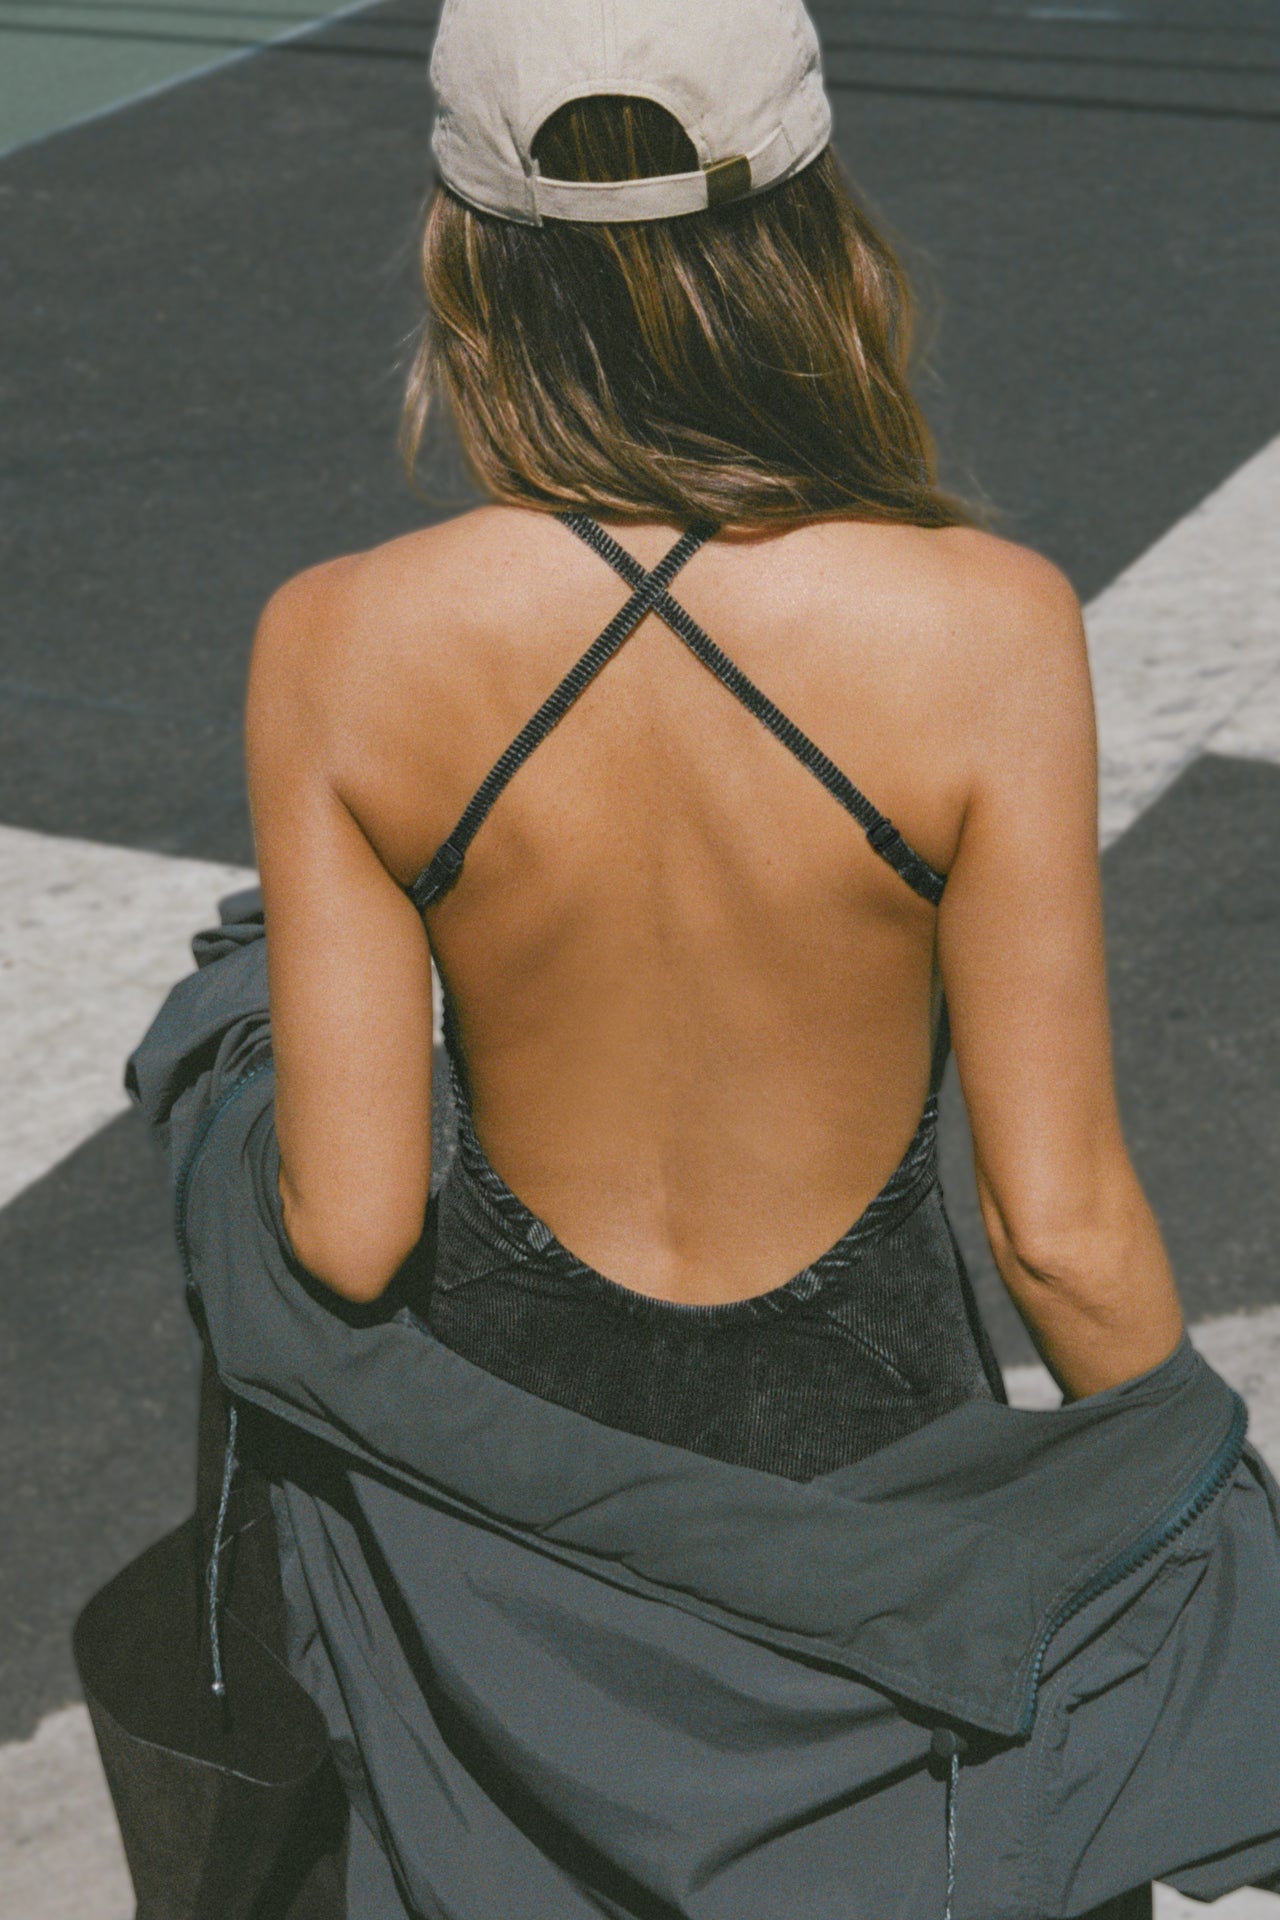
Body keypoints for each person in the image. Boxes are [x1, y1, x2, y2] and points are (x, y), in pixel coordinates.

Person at [118, 1, 1280, 1915]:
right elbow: (1062, 1231)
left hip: (517, 1586)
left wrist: (230, 1050)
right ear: (814, 236)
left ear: (466, 253)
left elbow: (349, 1226)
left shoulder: (338, 642)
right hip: (884, 1545)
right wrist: (1203, 1551)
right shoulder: (985, 626)